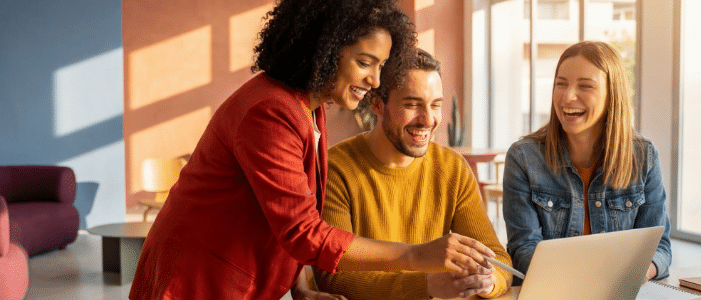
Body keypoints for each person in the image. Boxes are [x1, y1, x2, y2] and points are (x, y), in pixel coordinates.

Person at [129, 1, 497, 299]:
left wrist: (299, 286)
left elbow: (284, 208)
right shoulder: (270, 111)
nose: (375, 81)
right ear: (324, 50)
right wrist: (416, 255)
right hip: (195, 282)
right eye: (364, 63)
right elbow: (304, 232)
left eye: (382, 66)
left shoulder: (311, 107)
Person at [290, 48, 513, 300]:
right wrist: (427, 286)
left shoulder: (453, 169)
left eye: (435, 105)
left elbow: (498, 259)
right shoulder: (336, 169)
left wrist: (487, 281)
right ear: (377, 104)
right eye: (412, 104)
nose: (427, 119)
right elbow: (333, 275)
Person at [502, 41, 672, 285]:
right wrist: (587, 278)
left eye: (585, 86)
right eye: (561, 84)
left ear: (612, 94)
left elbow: (660, 248)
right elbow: (523, 250)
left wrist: (638, 272)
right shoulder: (523, 158)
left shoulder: (643, 156)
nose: (568, 96)